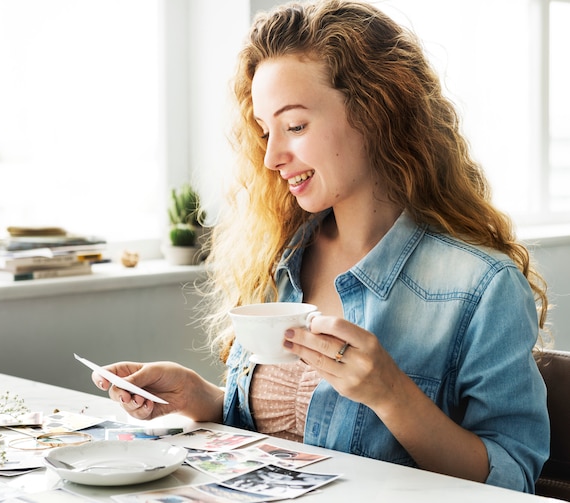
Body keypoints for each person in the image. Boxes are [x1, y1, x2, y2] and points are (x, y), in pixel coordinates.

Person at [91, 0, 550, 494]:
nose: (271, 156)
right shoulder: (282, 257)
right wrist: (201, 397)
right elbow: (292, 429)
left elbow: (512, 479)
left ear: (376, 111)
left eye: (294, 126)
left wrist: (392, 396)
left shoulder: (482, 287)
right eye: (266, 131)